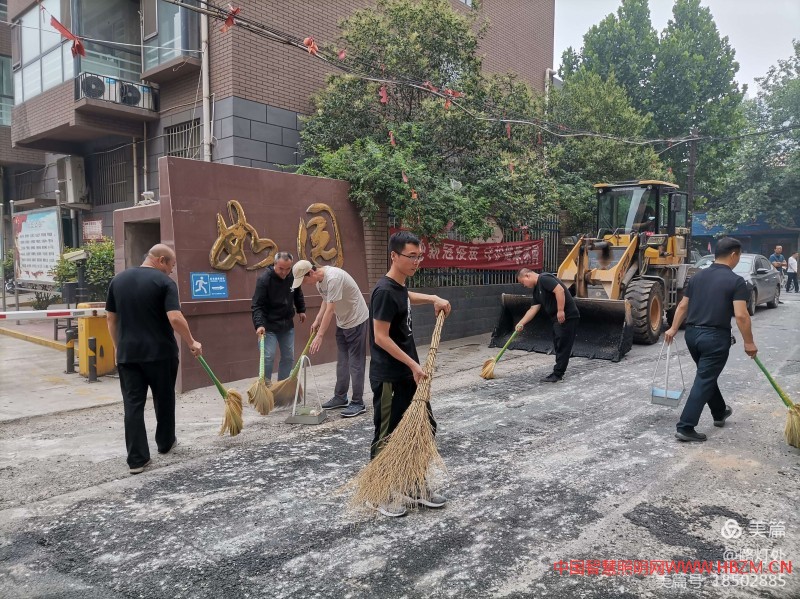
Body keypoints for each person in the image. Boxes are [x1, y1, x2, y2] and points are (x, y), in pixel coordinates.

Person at [369, 231, 451, 517]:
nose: (417, 261)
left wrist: (433, 298)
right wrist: (414, 365)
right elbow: (380, 337)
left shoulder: (399, 287)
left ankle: (413, 484)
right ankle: (376, 492)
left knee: (423, 427)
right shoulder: (383, 291)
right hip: (390, 376)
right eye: (411, 256)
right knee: (387, 434)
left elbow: (405, 297)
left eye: (419, 256)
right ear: (394, 256)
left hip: (408, 374)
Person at [106, 244, 203, 475]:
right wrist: (192, 341)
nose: (172, 271)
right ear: (161, 260)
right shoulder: (164, 283)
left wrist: (118, 348)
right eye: (171, 265)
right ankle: (165, 442)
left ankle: (137, 460)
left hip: (129, 355)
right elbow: (175, 317)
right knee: (164, 398)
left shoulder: (118, 281)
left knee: (133, 405)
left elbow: (111, 318)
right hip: (160, 354)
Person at [665, 237, 758, 443]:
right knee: (704, 378)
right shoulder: (736, 281)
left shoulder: (697, 277)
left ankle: (719, 411)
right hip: (715, 339)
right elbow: (741, 315)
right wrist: (749, 342)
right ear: (733, 255)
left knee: (706, 375)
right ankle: (686, 426)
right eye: (739, 256)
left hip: (692, 336)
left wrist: (673, 328)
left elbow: (683, 306)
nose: (738, 259)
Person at [291, 260, 369, 418]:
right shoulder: (319, 282)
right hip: (343, 320)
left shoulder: (333, 278)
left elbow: (330, 309)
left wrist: (320, 335)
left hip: (356, 320)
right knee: (342, 361)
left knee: (355, 363)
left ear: (311, 273)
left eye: (304, 280)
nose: (304, 284)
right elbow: (325, 302)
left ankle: (358, 402)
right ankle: (340, 397)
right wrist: (317, 320)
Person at [514, 268, 581, 382]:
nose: (524, 286)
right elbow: (533, 309)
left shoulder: (544, 278)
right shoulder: (537, 290)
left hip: (567, 316)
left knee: (562, 345)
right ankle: (558, 372)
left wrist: (560, 310)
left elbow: (559, 290)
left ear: (527, 276)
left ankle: (558, 374)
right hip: (557, 319)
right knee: (558, 344)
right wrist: (521, 323)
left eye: (522, 282)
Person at [251, 251, 306, 383]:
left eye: (288, 269)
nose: (284, 272)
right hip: (268, 326)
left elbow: (297, 293)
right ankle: (265, 386)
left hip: (287, 325)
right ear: (275, 264)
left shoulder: (293, 276)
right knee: (268, 356)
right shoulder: (264, 279)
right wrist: (259, 324)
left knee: (288, 357)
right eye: (281, 269)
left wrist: (301, 309)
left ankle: (282, 385)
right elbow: (257, 305)